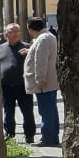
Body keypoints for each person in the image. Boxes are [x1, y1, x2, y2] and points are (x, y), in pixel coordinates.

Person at [23, 17, 60, 147]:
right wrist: (29, 51)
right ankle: (52, 137)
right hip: (48, 81)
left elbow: (41, 60)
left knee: (46, 110)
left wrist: (40, 78)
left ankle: (48, 138)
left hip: (44, 83)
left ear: (31, 29)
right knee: (51, 109)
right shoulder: (47, 36)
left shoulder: (42, 39)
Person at [0, 22, 35, 142]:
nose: (15, 34)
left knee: (27, 111)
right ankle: (9, 134)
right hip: (6, 86)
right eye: (12, 32)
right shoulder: (0, 48)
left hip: (22, 85)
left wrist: (29, 53)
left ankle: (29, 135)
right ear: (6, 34)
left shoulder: (27, 47)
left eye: (17, 31)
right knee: (8, 111)